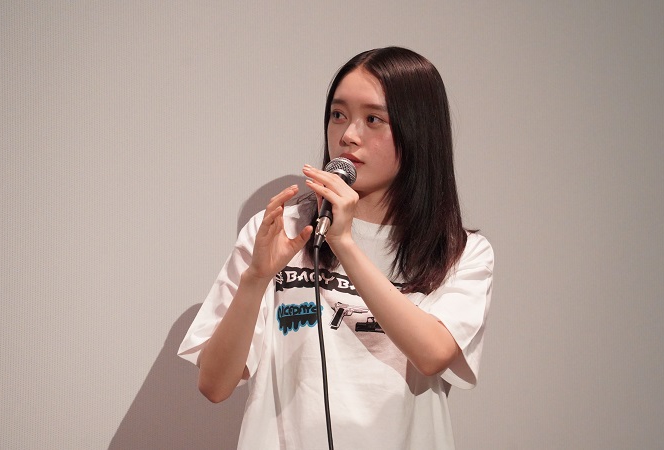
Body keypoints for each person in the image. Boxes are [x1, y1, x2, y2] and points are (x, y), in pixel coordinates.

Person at [178, 46, 494, 449]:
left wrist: (343, 243)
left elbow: (432, 354)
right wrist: (256, 278)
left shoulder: (460, 251)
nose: (347, 136)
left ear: (418, 131)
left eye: (373, 119)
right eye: (338, 114)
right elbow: (214, 384)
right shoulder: (279, 231)